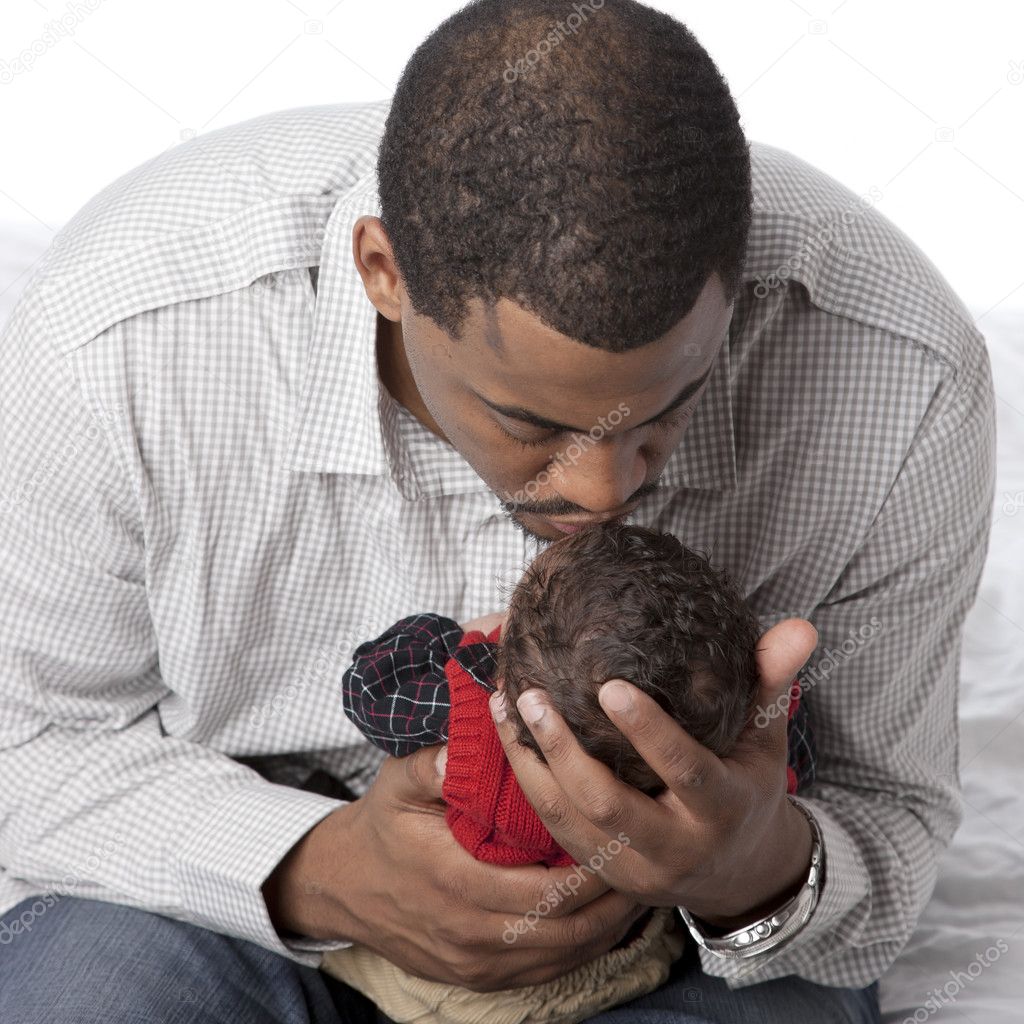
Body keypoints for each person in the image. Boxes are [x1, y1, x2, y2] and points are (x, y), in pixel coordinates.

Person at [0, 0, 994, 1021]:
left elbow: (889, 812)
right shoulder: (115, 343)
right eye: (529, 420)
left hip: (676, 943)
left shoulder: (902, 375)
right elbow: (29, 745)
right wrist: (323, 870)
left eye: (667, 407)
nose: (603, 492)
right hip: (228, 895)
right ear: (383, 273)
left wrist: (751, 866)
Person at [322, 523, 816, 1023]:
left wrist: (465, 641)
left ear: (507, 666)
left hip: (453, 995)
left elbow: (371, 687)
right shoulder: (725, 761)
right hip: (632, 963)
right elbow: (792, 766)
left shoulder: (469, 724)